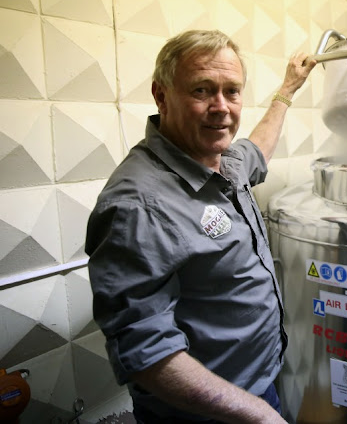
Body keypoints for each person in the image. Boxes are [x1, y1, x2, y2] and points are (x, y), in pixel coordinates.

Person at [85, 29, 317, 423]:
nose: (221, 107)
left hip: (257, 389)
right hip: (207, 414)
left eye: (233, 91)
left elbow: (257, 147)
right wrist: (259, 415)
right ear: (161, 95)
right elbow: (147, 354)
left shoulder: (222, 160)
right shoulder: (138, 204)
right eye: (202, 91)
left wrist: (287, 90)